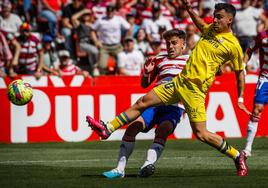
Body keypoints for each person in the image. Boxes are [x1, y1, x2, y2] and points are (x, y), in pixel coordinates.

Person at [87, 2, 251, 176]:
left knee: (201, 134)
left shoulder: (233, 45)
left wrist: (240, 98)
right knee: (142, 102)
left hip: (195, 91)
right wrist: (189, 10)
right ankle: (108, 128)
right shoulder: (210, 29)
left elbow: (240, 73)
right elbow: (201, 24)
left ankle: (237, 155)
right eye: (214, 15)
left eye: (219, 17)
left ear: (230, 20)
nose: (215, 19)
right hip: (179, 82)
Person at [101, 29, 188, 179]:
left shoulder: (190, 60)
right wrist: (147, 72)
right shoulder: (160, 59)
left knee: (163, 130)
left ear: (183, 45)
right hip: (154, 103)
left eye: (174, 43)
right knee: (132, 128)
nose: (170, 47)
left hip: (174, 106)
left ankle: (147, 165)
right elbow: (144, 85)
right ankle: (119, 169)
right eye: (168, 43)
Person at [243, 30, 268, 157]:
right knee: (257, 110)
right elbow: (250, 49)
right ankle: (248, 147)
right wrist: (243, 65)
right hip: (265, 78)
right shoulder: (262, 36)